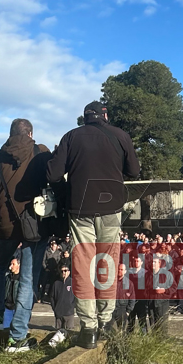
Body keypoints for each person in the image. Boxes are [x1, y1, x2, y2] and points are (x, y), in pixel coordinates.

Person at [46, 103, 140, 348]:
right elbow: (134, 171)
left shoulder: (71, 136)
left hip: (80, 209)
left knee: (82, 265)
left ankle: (88, 329)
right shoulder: (121, 136)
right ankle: (106, 321)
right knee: (107, 263)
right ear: (105, 116)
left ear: (85, 118)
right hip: (111, 208)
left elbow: (53, 174)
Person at [0, 119, 55, 347]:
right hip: (34, 225)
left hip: (4, 225)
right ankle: (18, 334)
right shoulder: (40, 152)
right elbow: (52, 182)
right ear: (30, 133)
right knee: (27, 279)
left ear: (10, 133)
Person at [50, 264, 75, 337]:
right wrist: (55, 308)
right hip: (59, 313)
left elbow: (77, 297)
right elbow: (52, 297)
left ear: (69, 272)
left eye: (65, 270)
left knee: (69, 334)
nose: (63, 272)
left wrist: (72, 306)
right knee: (58, 335)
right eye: (62, 271)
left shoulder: (73, 283)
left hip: (69, 313)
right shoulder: (56, 283)